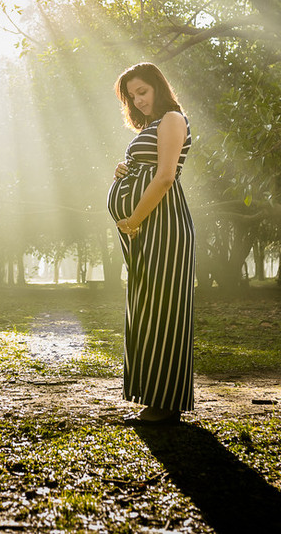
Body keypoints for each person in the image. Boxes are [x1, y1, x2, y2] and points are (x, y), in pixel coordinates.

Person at [106, 62, 195, 425]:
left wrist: (135, 219)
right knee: (145, 307)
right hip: (144, 228)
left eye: (142, 91)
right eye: (131, 96)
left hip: (163, 224)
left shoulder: (173, 119)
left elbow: (165, 176)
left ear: (159, 85)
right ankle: (150, 397)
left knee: (164, 310)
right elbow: (148, 167)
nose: (138, 100)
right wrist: (124, 170)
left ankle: (165, 405)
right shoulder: (153, 127)